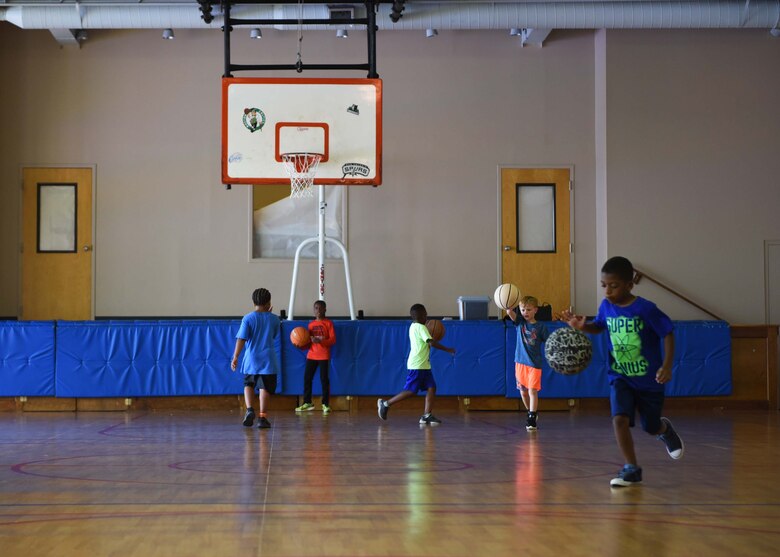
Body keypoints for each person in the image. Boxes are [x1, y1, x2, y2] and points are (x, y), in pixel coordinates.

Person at [561, 256, 684, 487]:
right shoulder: (606, 307)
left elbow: (667, 333)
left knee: (650, 426)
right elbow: (598, 327)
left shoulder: (645, 309)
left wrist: (666, 366)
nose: (607, 291)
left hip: (649, 380)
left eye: (614, 285)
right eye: (604, 286)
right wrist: (581, 326)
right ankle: (631, 468)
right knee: (619, 419)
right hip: (620, 376)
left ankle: (664, 430)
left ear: (629, 284)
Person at [377, 304, 455, 425]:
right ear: (423, 315)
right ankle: (385, 404)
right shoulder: (421, 328)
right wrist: (448, 349)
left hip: (424, 365)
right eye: (425, 314)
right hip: (417, 365)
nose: (427, 316)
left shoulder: (413, 326)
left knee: (431, 387)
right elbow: (431, 343)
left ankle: (426, 415)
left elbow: (426, 343)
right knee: (411, 391)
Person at [231, 287, 281, 429]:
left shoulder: (248, 318)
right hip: (268, 359)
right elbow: (274, 335)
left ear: (253, 302)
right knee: (264, 388)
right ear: (269, 302)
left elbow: (241, 338)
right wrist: (269, 316)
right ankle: (262, 418)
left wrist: (235, 357)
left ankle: (249, 410)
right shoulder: (275, 319)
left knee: (248, 384)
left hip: (251, 358)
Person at [506, 295, 549, 431]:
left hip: (534, 364)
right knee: (523, 392)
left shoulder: (541, 326)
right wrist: (509, 310)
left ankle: (531, 417)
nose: (526, 312)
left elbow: (549, 342)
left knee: (532, 390)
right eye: (523, 310)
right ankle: (530, 411)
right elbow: (512, 316)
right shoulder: (520, 323)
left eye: (529, 310)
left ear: (535, 310)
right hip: (520, 362)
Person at [295, 300, 336, 415]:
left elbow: (333, 340)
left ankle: (325, 404)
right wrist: (300, 346)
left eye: (320, 308)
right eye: (316, 308)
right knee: (307, 378)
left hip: (323, 355)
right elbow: (308, 343)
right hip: (311, 355)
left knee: (324, 380)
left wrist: (321, 341)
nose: (318, 310)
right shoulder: (310, 325)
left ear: (325, 310)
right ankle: (307, 402)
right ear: (314, 310)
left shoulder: (329, 323)